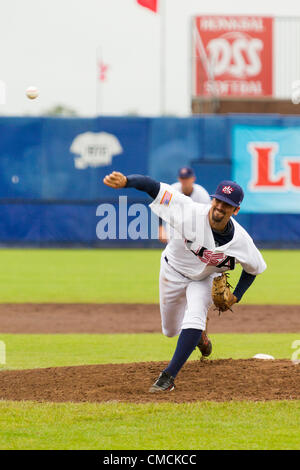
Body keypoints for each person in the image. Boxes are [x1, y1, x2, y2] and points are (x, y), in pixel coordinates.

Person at [103, 172, 267, 393]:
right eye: (218, 200)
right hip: (172, 271)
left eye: (227, 204)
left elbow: (253, 269)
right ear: (212, 199)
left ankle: (168, 377)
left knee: (196, 312)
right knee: (170, 330)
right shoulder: (189, 211)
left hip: (204, 279)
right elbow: (154, 187)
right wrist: (126, 182)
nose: (220, 206)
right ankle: (197, 336)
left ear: (235, 210)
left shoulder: (242, 241)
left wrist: (237, 295)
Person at [158, 167, 210, 244]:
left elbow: (207, 216)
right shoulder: (170, 190)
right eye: (182, 178)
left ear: (193, 178)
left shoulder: (202, 194)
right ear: (179, 179)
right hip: (174, 229)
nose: (185, 180)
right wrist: (161, 228)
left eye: (187, 178)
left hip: (195, 228)